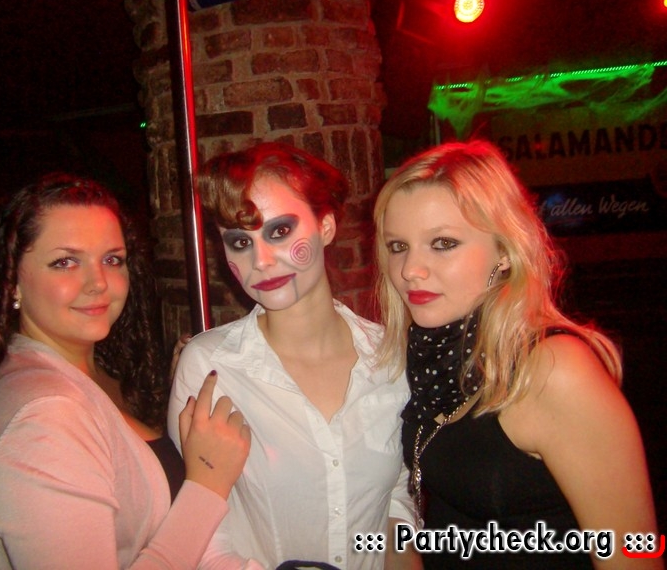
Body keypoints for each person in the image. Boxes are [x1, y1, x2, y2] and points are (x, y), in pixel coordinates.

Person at [372, 140, 661, 568]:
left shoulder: (553, 369)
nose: (410, 270)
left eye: (443, 243)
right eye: (398, 246)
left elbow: (635, 557)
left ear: (505, 253)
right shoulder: (431, 360)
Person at [0, 172, 250, 569]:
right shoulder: (45, 419)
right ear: (12, 281)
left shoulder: (86, 373)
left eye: (111, 259)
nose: (98, 283)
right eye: (65, 262)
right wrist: (207, 484)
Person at [167, 142, 417, 569]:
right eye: (239, 242)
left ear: (326, 226)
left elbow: (394, 498)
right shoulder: (210, 368)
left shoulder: (391, 358)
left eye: (279, 232)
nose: (261, 260)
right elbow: (200, 530)